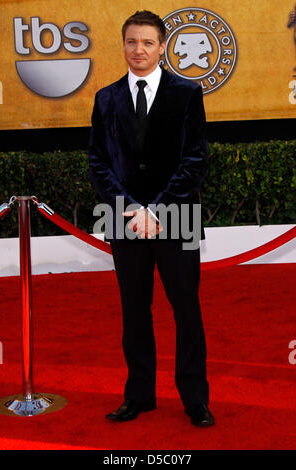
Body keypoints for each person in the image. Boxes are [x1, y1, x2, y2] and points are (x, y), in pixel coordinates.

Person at [88, 10, 214, 427]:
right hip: (123, 216)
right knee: (133, 309)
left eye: (146, 42)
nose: (137, 50)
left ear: (162, 46)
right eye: (130, 42)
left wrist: (157, 209)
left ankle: (195, 398)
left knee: (186, 308)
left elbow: (195, 159)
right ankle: (138, 395)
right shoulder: (106, 98)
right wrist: (130, 207)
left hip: (176, 214)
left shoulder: (186, 93)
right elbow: (98, 161)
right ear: (122, 45)